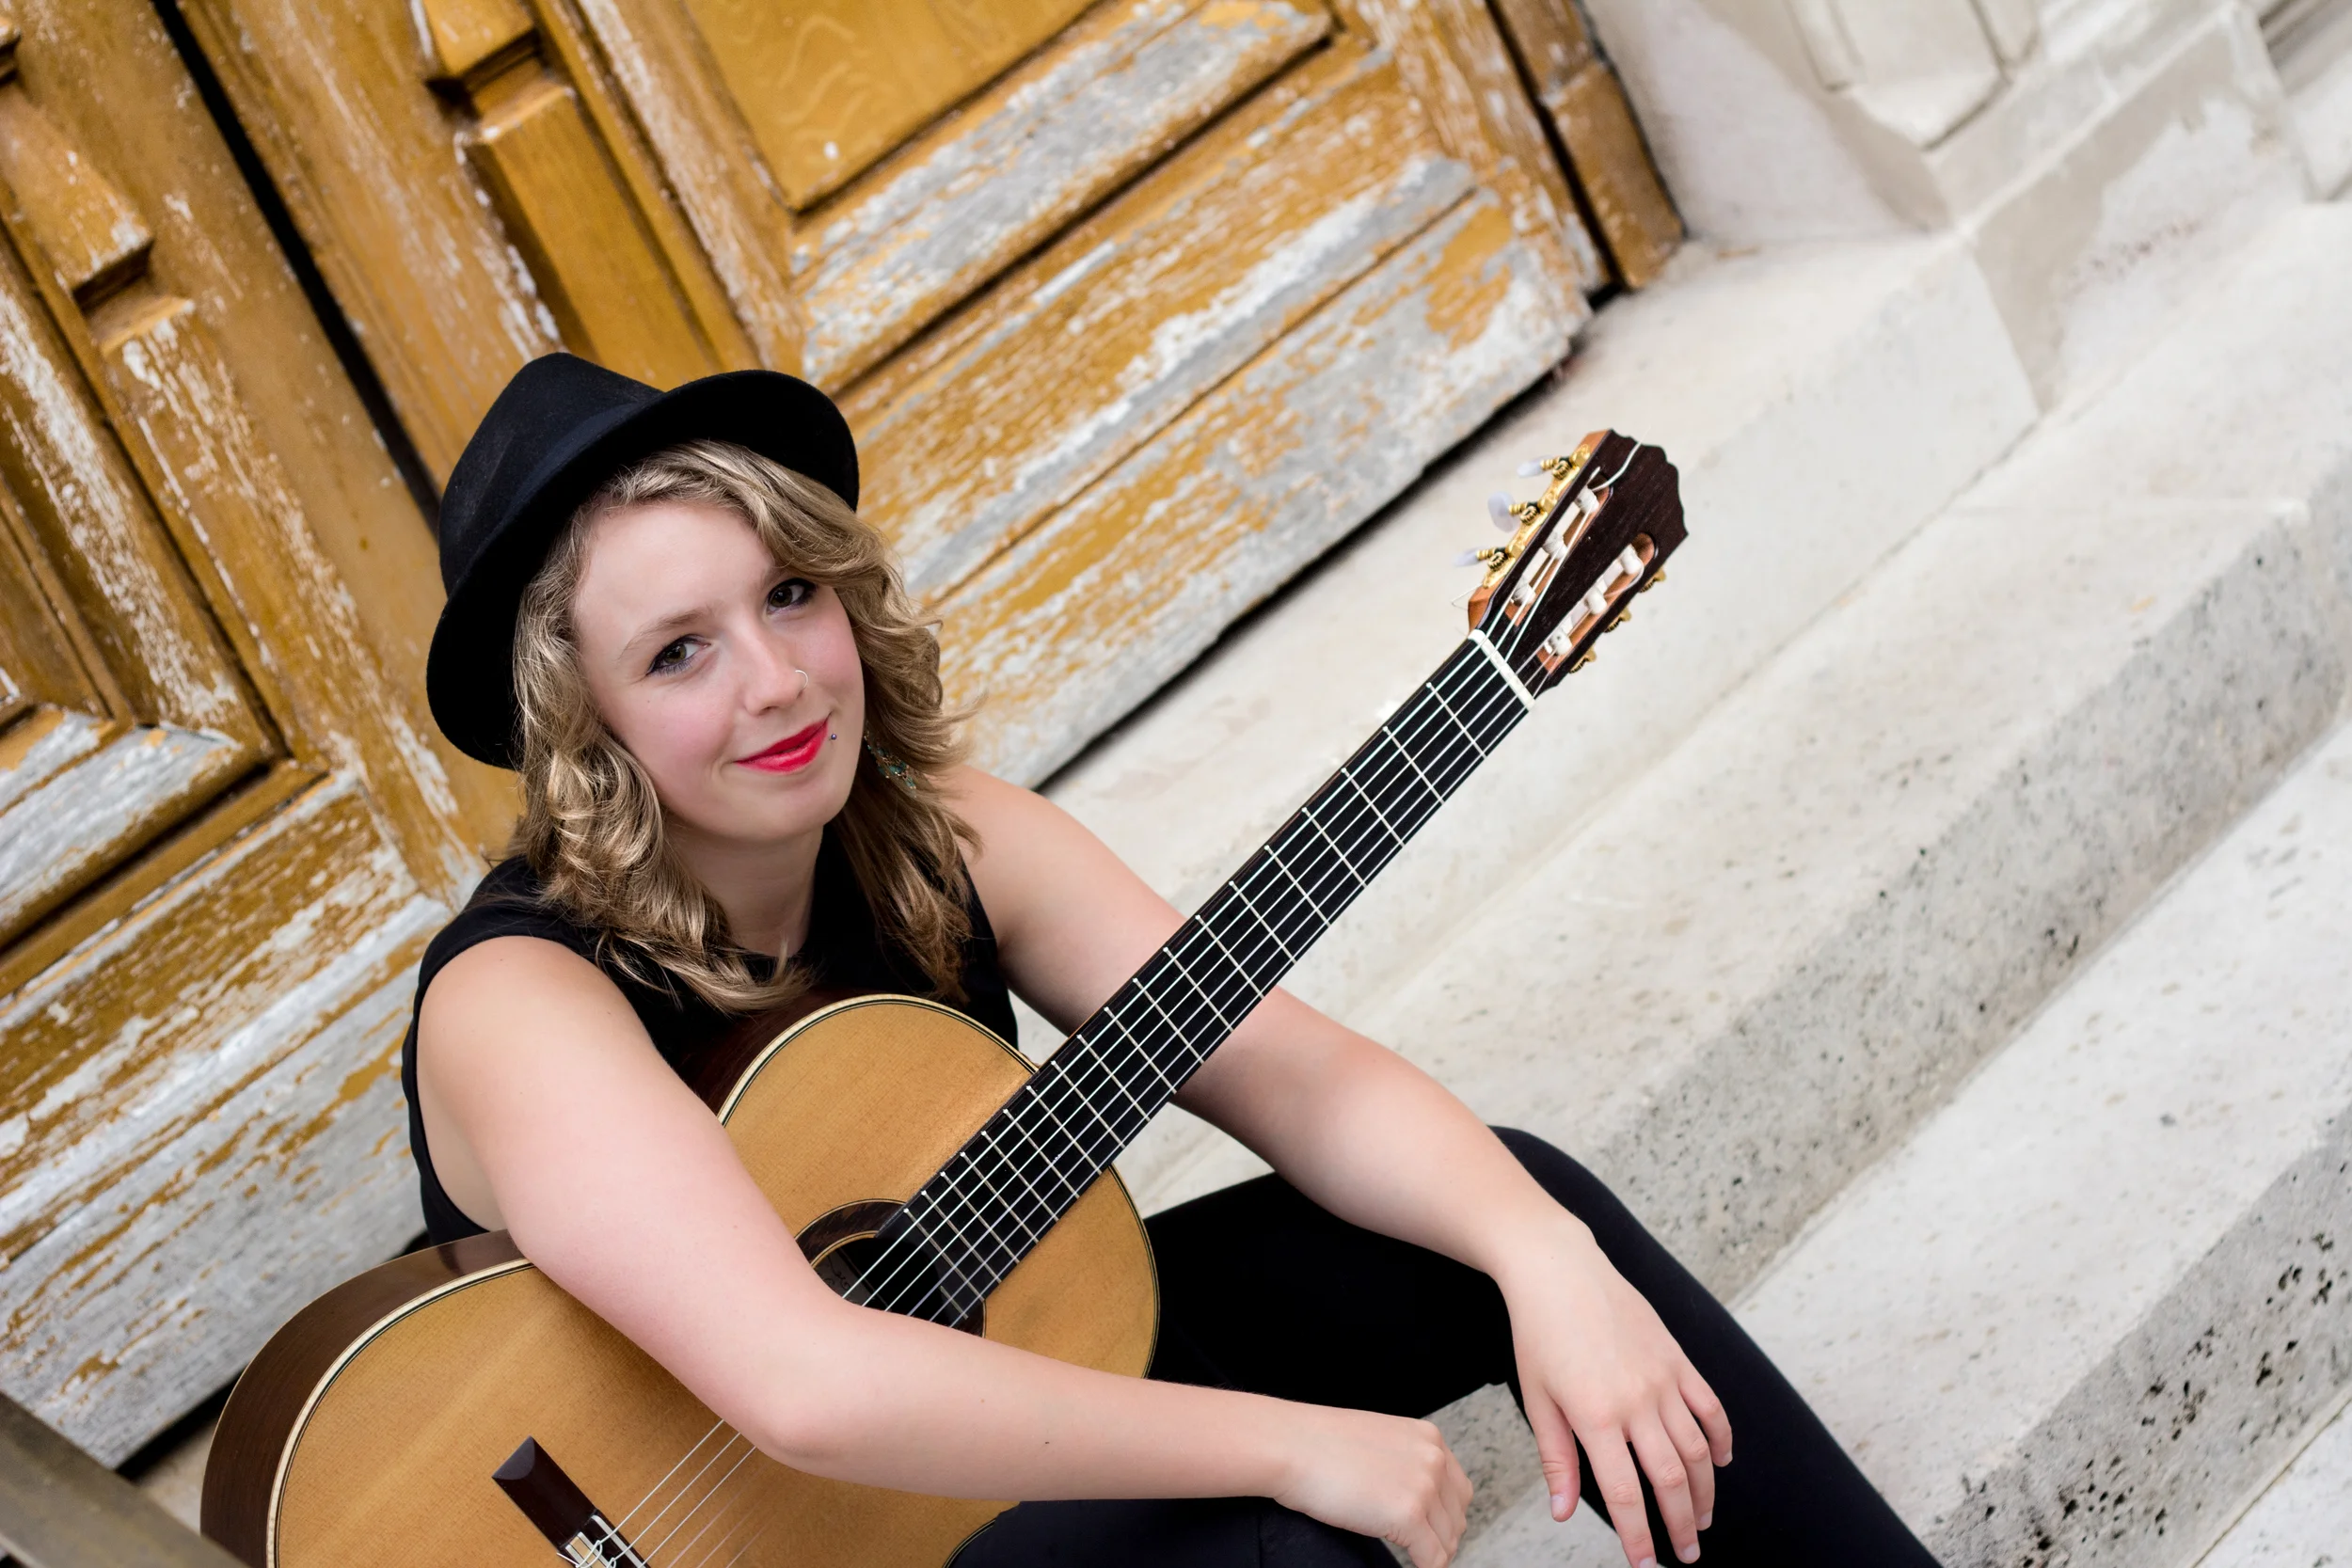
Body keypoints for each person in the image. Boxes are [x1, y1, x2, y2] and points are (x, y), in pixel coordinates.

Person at [405, 355, 1938, 1568]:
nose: (776, 678)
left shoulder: (943, 839)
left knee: (1516, 1208)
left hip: (1001, 1401)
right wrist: (1286, 1438)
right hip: (731, 1527)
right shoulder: (522, 1001)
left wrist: (1544, 1259)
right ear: (581, 724)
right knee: (1276, 1532)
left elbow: (1299, 1073)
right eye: (678, 651)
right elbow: (808, 1379)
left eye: (790, 595)